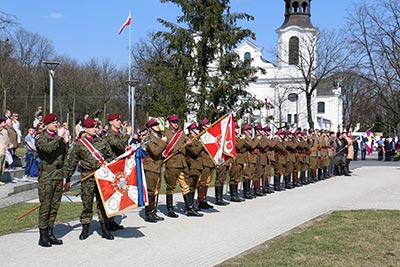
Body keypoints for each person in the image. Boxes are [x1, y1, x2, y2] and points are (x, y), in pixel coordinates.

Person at [64, 117, 116, 240]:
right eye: (92, 127)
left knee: (102, 203)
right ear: (86, 129)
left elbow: (111, 156)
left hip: (101, 176)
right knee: (87, 203)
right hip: (87, 177)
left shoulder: (102, 142)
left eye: (96, 126)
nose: (95, 129)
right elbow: (72, 163)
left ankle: (104, 228)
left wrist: (104, 165)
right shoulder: (79, 145)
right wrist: (67, 179)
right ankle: (85, 228)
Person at [36, 113, 69, 247]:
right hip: (47, 177)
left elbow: (65, 157)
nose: (56, 124)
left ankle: (50, 232)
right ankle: (43, 235)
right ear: (47, 124)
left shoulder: (59, 140)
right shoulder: (41, 138)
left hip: (58, 175)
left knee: (54, 206)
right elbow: (48, 149)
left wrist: (65, 176)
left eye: (56, 122)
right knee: (45, 207)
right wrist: (60, 137)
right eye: (53, 122)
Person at [163, 115, 202, 217]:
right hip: (172, 163)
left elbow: (188, 141)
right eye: (174, 122)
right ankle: (170, 209)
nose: (176, 124)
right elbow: (164, 147)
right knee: (170, 187)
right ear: (170, 123)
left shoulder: (181, 133)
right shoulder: (166, 133)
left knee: (186, 185)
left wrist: (189, 142)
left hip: (182, 163)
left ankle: (189, 208)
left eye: (177, 122)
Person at [105, 113, 132, 229]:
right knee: (111, 195)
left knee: (116, 195)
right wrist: (128, 134)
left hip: (118, 168)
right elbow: (119, 145)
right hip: (111, 168)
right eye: (117, 120)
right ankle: (107, 222)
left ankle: (112, 220)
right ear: (111, 122)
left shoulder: (118, 134)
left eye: (119, 120)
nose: (119, 122)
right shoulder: (110, 135)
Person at [142, 118, 167, 222]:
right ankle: (148, 213)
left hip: (157, 166)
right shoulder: (148, 138)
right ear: (150, 128)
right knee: (150, 191)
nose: (157, 126)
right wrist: (163, 142)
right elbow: (155, 151)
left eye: (157, 124)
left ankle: (153, 211)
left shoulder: (158, 137)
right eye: (155, 125)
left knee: (156, 190)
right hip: (151, 167)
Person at [0, 119, 9, 186]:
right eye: (3, 123)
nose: (4, 124)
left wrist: (9, 145)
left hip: (3, 152)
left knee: (2, 167)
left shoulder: (4, 132)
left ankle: (0, 179)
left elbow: (7, 140)